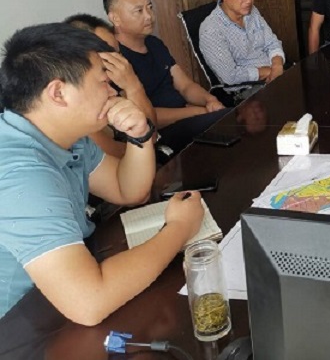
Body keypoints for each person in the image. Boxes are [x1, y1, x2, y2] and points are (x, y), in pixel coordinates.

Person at [0, 23, 204, 323]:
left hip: (62, 292)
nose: (112, 92)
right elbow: (89, 303)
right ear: (58, 93)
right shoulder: (19, 175)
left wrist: (139, 134)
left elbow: (127, 190)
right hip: (21, 323)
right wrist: (179, 229)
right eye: (103, 82)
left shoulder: (68, 135)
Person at [104, 0, 229, 156]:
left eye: (149, 7)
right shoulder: (115, 60)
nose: (149, 16)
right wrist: (198, 111)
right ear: (115, 18)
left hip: (186, 116)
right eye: (139, 11)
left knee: (231, 118)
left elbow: (185, 86)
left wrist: (209, 100)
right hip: (160, 133)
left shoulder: (155, 44)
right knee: (226, 125)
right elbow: (143, 115)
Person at [64, 13, 157, 158]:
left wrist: (133, 86)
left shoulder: (112, 86)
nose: (119, 61)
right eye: (107, 53)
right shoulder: (72, 101)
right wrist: (132, 86)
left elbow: (151, 135)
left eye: (117, 53)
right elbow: (117, 153)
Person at [200, 0, 285, 85]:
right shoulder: (211, 29)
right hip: (248, 87)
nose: (248, 0)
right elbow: (230, 76)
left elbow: (272, 43)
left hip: (275, 72)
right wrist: (268, 72)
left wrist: (277, 67)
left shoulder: (251, 11)